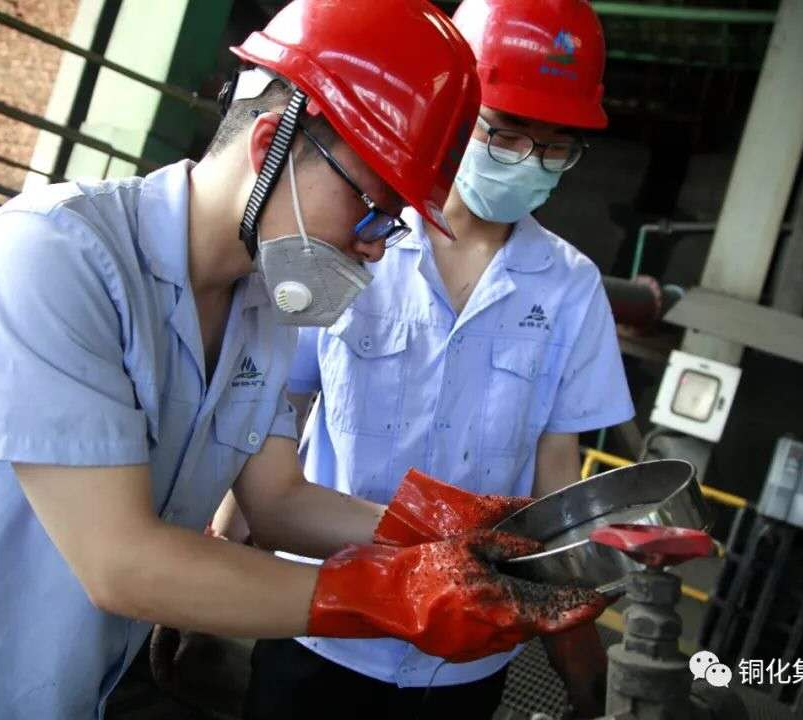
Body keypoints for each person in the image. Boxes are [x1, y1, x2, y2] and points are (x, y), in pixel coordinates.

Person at [0, 2, 607, 718]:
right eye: (373, 206)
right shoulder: (52, 256)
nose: (376, 245)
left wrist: (453, 534)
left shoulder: (262, 310)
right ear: (271, 146)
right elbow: (122, 562)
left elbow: (280, 503)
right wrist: (389, 595)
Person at [240, 1, 635, 718]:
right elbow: (272, 412)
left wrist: (577, 648)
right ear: (453, 114)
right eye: (506, 133)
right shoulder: (359, 235)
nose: (529, 160)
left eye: (555, 147)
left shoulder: (571, 288)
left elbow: (555, 478)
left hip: (464, 656)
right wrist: (217, 551)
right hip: (319, 623)